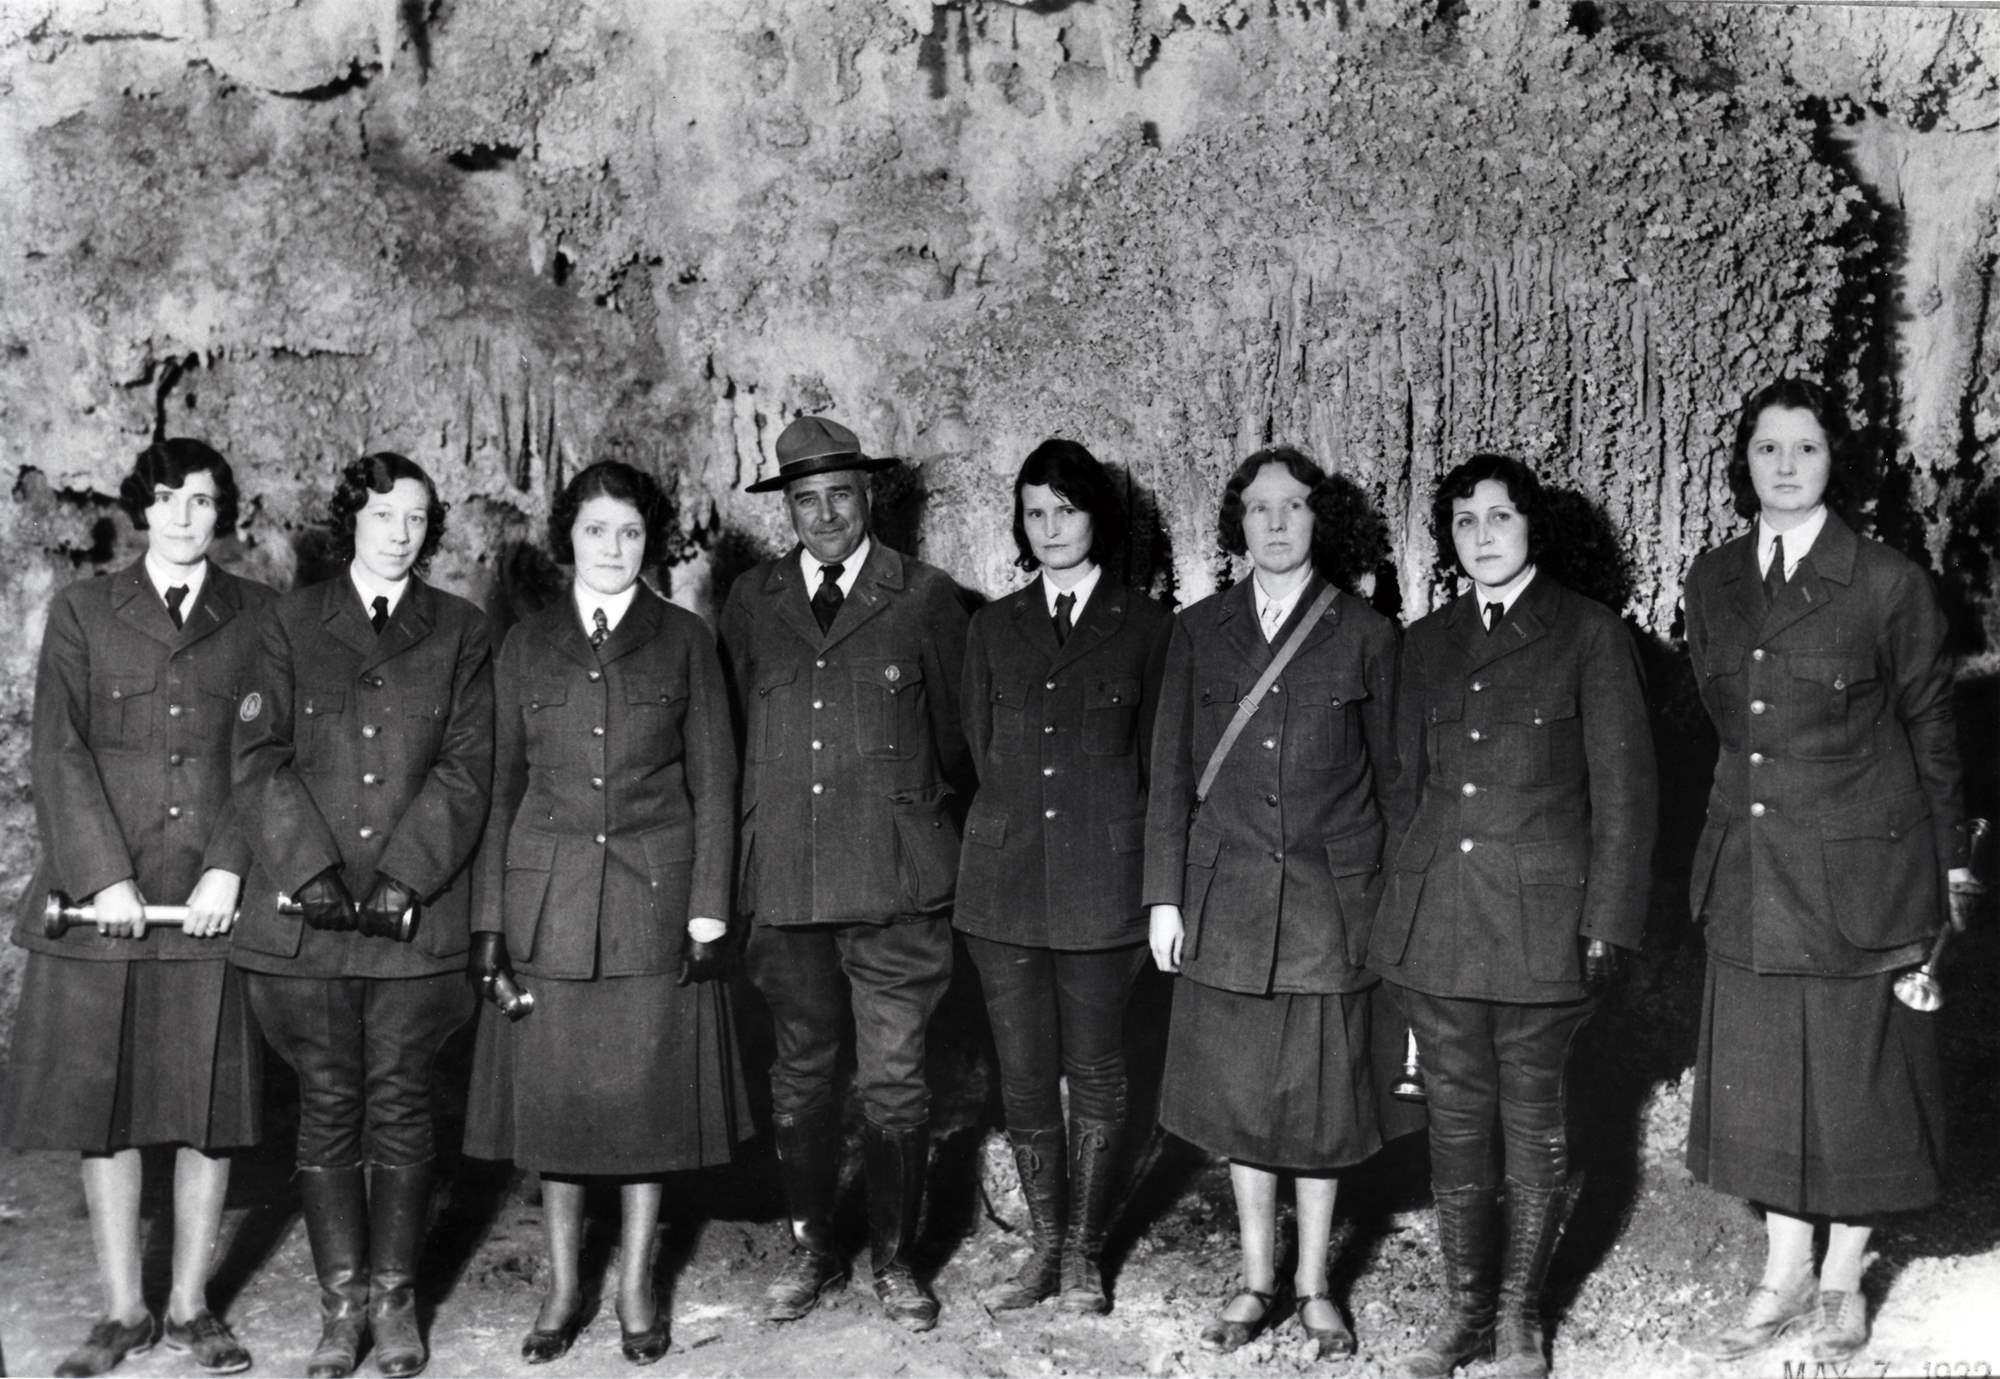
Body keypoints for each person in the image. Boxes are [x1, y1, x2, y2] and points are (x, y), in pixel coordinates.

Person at [1682, 378, 1975, 1363]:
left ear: (1830, 461)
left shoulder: (1886, 582)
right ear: (1744, 460)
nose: (1784, 464)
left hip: (1862, 870)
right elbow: (1724, 725)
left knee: (1858, 1085)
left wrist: (1947, 871)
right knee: (1764, 1081)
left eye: (1803, 447)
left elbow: (1930, 727)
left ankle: (1844, 1278)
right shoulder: (1711, 577)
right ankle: (1783, 1268)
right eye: (1766, 446)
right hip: (1750, 869)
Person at [1370, 455, 1657, 1379]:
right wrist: (1397, 914)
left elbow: (1626, 793)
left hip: (1542, 928)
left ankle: (1520, 1319)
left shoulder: (1588, 634)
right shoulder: (1425, 641)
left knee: (1534, 1123)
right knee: (1456, 1122)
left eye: (1499, 517)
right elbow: (1403, 788)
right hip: (1440, 923)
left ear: (1533, 528)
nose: (1482, 535)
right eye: (1463, 521)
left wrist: (1607, 918)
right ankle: (1461, 1314)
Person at [463, 460, 750, 1365]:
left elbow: (716, 782)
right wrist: (490, 923)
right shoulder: (525, 646)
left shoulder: (684, 641)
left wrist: (709, 912)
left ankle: (633, 1288)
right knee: (556, 1113)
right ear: (567, 541)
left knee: (644, 1110)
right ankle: (561, 1288)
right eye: (596, 531)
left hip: (652, 906)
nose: (614, 548)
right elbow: (500, 789)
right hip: (548, 907)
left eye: (630, 532)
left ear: (650, 541)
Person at [3, 439, 269, 1378]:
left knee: (207, 1106)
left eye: (203, 501)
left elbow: (267, 760)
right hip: (103, 900)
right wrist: (103, 875)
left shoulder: (260, 617)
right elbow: (59, 751)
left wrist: (231, 869)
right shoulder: (82, 612)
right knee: (103, 1107)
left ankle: (194, 1307)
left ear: (223, 513)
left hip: (207, 900)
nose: (186, 517)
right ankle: (121, 1311)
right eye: (168, 500)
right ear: (139, 511)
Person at [230, 453, 494, 1379]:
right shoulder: (289, 623)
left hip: (411, 928)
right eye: (384, 514)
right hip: (307, 926)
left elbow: (468, 768)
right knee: (328, 1107)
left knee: (403, 1103)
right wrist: (307, 870)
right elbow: (259, 758)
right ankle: (340, 1309)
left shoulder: (460, 630)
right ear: (353, 520)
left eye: (417, 518)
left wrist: (409, 877)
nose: (400, 532)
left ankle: (395, 1303)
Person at [719, 414, 973, 1332]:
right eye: (803, 500)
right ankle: (811, 1248)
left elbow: (956, 744)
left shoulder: (928, 598)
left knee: (898, 1077)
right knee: (799, 1076)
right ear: (785, 509)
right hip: (785, 880)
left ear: (869, 497)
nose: (824, 515)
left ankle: (898, 1260)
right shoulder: (753, 600)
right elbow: (737, 736)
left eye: (839, 495)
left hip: (899, 884)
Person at [1144, 445, 1399, 1359]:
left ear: (1318, 520)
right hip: (1227, 899)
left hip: (1332, 905)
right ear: (1238, 524)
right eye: (1260, 508)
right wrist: (1163, 899)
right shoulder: (1197, 631)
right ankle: (1257, 1280)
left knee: (1321, 1103)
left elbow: (1395, 783)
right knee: (1246, 1101)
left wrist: (1390, 912)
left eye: (1294, 506)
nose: (1278, 521)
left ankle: (1315, 1283)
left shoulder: (1366, 634)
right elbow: (1170, 773)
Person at [956, 440, 1170, 1314]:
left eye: (1067, 511)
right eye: (1035, 513)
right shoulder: (991, 627)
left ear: (1099, 521)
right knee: (1023, 1072)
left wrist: (1156, 889)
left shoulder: (1148, 627)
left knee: (1100, 1067)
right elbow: (978, 747)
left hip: (1102, 887)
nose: (1051, 529)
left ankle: (1084, 1248)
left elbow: (1163, 770)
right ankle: (1043, 1246)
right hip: (1004, 889)